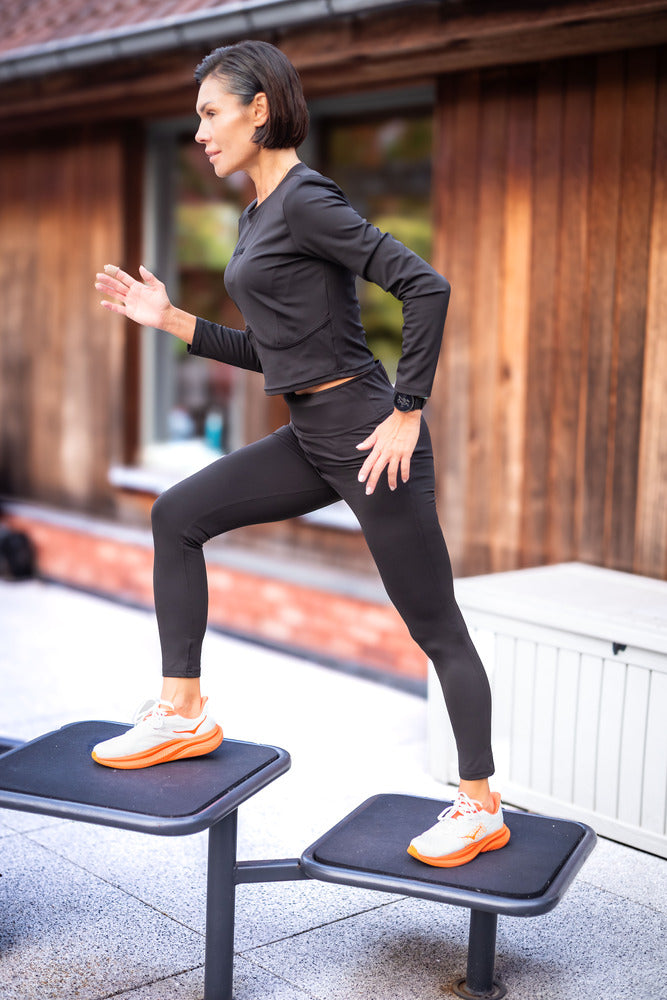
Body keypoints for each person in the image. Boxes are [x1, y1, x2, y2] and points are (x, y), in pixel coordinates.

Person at [92, 39, 510, 868]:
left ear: (259, 109)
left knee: (435, 627)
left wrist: (406, 411)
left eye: (211, 113)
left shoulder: (306, 199)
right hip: (310, 435)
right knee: (176, 513)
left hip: (365, 438)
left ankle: (479, 805)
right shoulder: (257, 214)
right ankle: (184, 712)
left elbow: (425, 285)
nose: (201, 131)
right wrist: (175, 324)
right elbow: (278, 354)